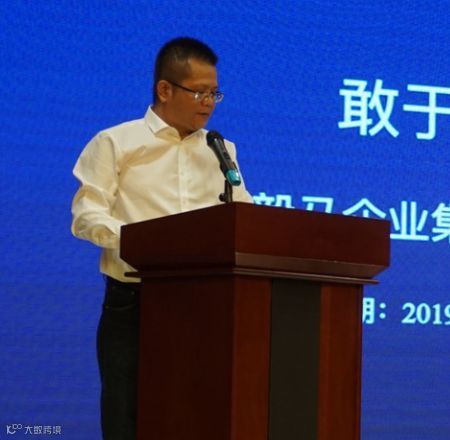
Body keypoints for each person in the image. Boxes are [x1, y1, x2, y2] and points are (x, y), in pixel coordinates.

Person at [71, 37, 253, 440]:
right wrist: (146, 243)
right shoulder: (116, 142)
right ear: (165, 89)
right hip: (135, 302)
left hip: (205, 305)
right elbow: (87, 216)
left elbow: (245, 217)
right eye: (199, 92)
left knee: (195, 415)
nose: (209, 103)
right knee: (128, 416)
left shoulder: (221, 150)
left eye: (214, 93)